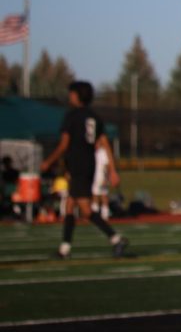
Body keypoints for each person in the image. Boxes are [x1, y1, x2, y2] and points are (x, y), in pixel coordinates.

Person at [39, 81, 129, 258]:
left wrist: (48, 161)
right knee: (70, 206)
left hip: (79, 165)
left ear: (77, 95)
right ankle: (65, 248)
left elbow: (64, 144)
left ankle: (116, 239)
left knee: (86, 210)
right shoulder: (94, 117)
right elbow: (105, 143)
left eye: (71, 93)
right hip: (88, 164)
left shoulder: (71, 116)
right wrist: (112, 170)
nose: (70, 96)